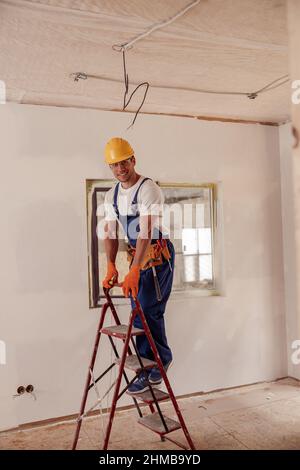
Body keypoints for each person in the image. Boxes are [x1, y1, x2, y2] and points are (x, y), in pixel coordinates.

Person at [102, 137, 174, 394]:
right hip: (137, 256)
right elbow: (110, 233)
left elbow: (145, 231)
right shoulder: (111, 196)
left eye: (124, 162)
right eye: (114, 165)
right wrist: (111, 266)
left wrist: (134, 269)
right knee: (137, 310)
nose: (120, 168)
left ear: (133, 160)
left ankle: (160, 360)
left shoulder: (148, 188)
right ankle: (146, 366)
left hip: (156, 256)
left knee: (149, 309)